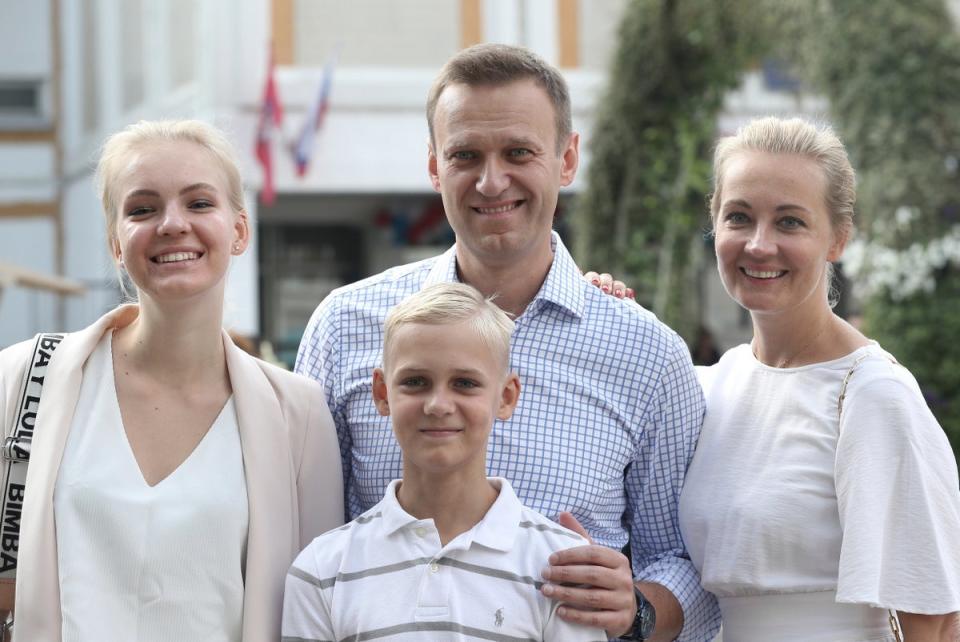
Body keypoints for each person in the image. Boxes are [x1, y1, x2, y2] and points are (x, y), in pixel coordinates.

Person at [296, 43, 718, 641]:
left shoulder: (647, 354)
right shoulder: (346, 326)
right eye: (465, 155)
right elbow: (308, 538)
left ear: (567, 159)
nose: (492, 181)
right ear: (435, 166)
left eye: (519, 152)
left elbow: (690, 564)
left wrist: (638, 610)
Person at [0, 120, 343, 641]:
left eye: (200, 203)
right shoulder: (24, 377)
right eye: (142, 208)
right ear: (116, 243)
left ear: (239, 230)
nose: (172, 224)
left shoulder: (297, 411)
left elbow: (313, 611)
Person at [676, 116, 960, 640]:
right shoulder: (711, 385)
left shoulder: (873, 396)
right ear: (715, 222)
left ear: (838, 239)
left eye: (789, 222)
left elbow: (935, 621)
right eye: (739, 217)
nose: (759, 245)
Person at [283, 282, 607, 641]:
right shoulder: (323, 569)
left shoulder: (560, 565)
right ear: (381, 392)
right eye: (416, 381)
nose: (438, 404)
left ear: (506, 396)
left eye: (465, 383)